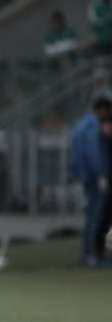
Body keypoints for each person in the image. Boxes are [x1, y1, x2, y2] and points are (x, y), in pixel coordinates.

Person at [72, 97, 112, 267]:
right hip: (94, 178)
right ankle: (90, 255)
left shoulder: (82, 124)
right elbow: (93, 153)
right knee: (94, 217)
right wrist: (101, 175)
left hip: (86, 177)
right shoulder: (92, 127)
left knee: (93, 216)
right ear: (103, 110)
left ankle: (91, 254)